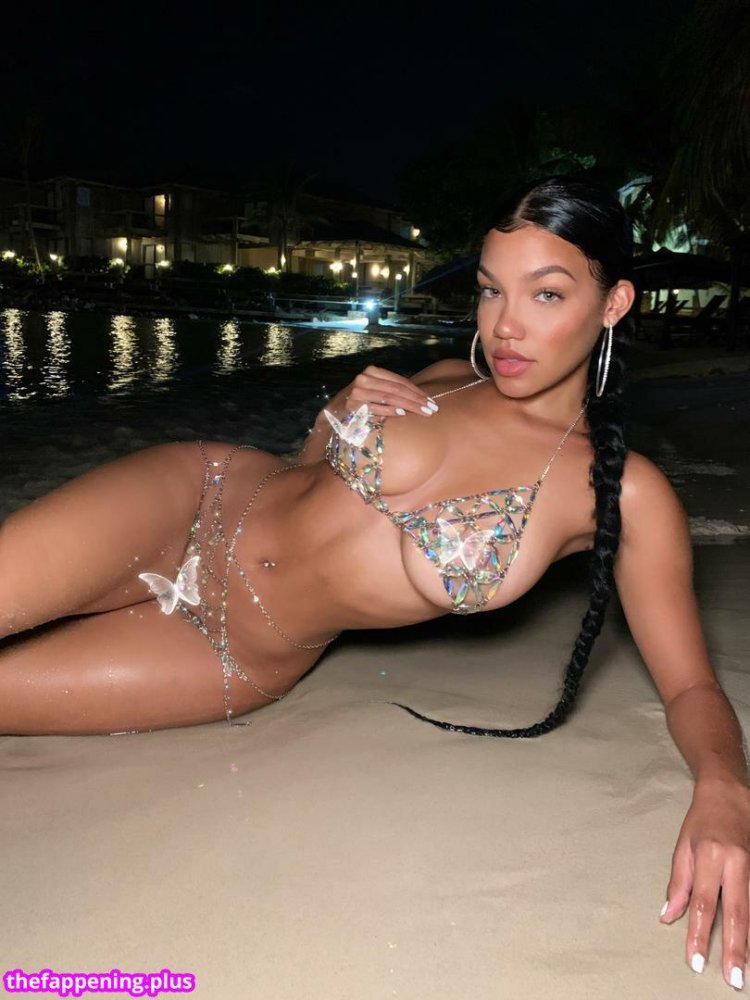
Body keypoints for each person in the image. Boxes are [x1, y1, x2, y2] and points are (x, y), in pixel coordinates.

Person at [1, 175, 748, 987]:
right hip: (194, 504)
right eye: (491, 290)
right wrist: (338, 409)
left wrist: (724, 791)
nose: (506, 324)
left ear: (614, 302)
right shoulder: (445, 375)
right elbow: (302, 472)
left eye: (547, 293)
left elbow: (690, 685)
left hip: (232, 652)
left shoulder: (623, 493)